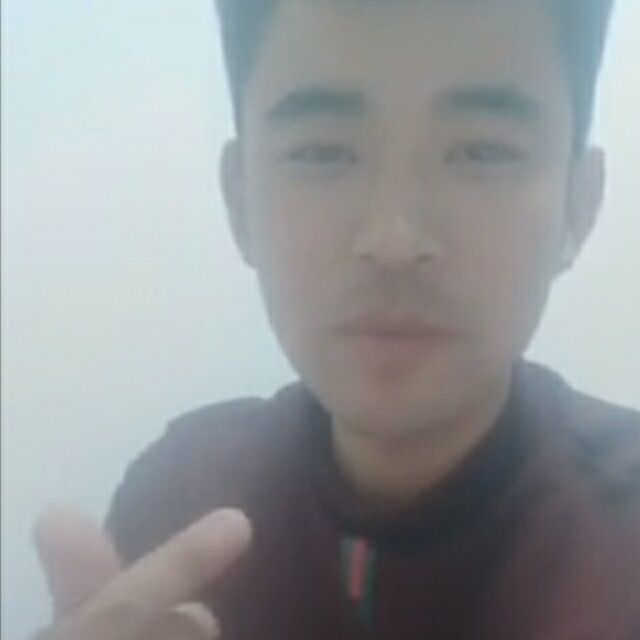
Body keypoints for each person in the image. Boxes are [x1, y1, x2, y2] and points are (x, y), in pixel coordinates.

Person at [32, 0, 640, 638]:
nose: (394, 239)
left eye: (484, 152)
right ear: (240, 201)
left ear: (579, 204)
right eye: (322, 153)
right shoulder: (179, 496)